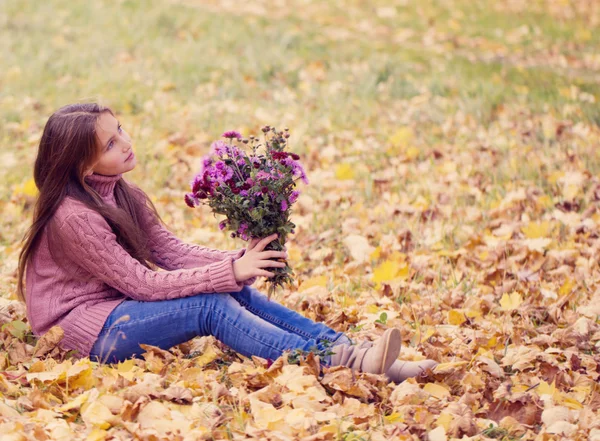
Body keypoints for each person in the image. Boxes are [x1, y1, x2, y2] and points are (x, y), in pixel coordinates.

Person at [17, 103, 436, 382]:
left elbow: (170, 251)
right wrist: (229, 271)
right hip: (84, 330)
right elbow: (141, 284)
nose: (125, 142)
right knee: (210, 304)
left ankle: (355, 353)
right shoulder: (74, 217)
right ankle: (339, 363)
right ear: (81, 164)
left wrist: (241, 262)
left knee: (230, 286)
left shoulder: (121, 190)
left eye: (120, 130)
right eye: (110, 144)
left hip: (116, 308)